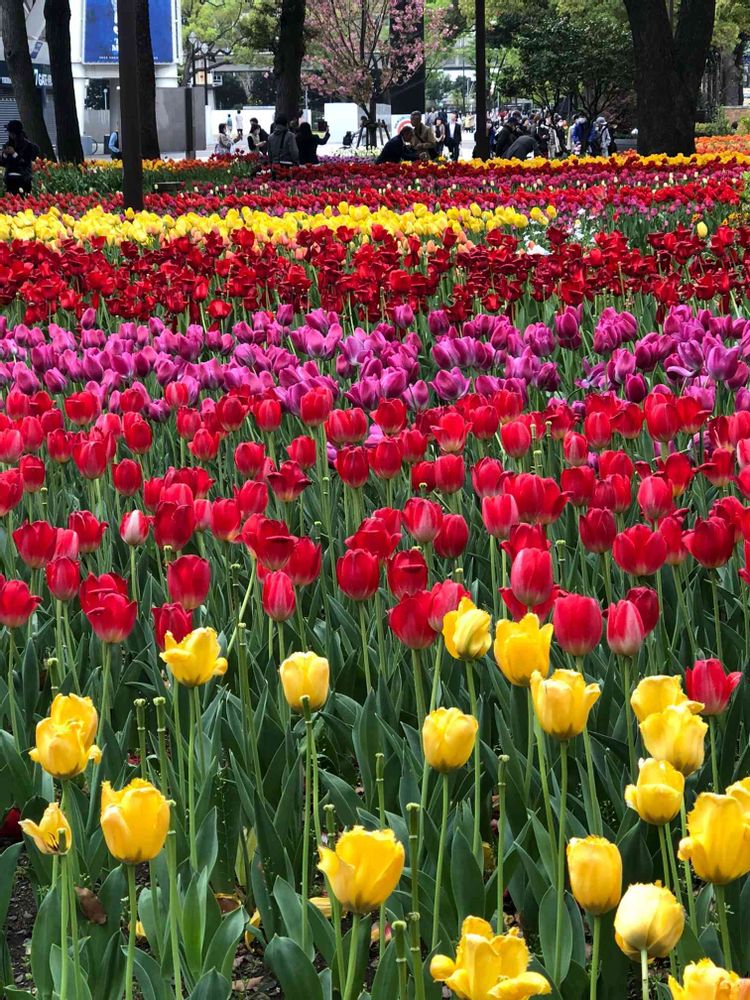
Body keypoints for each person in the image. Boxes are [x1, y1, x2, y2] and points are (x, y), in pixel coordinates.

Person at [1, 120, 38, 196]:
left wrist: (14, 154)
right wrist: (4, 154)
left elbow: (25, 163)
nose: (11, 135)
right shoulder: (7, 145)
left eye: (12, 133)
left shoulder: (28, 146)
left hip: (23, 178)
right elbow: (3, 163)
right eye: (10, 133)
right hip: (9, 178)